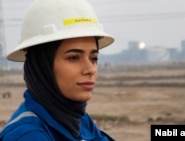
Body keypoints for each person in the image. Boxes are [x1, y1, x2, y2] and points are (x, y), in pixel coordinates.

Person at [0, 0, 115, 140]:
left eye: (94, 58)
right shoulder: (29, 135)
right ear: (42, 66)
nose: (90, 69)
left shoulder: (79, 120)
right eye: (74, 58)